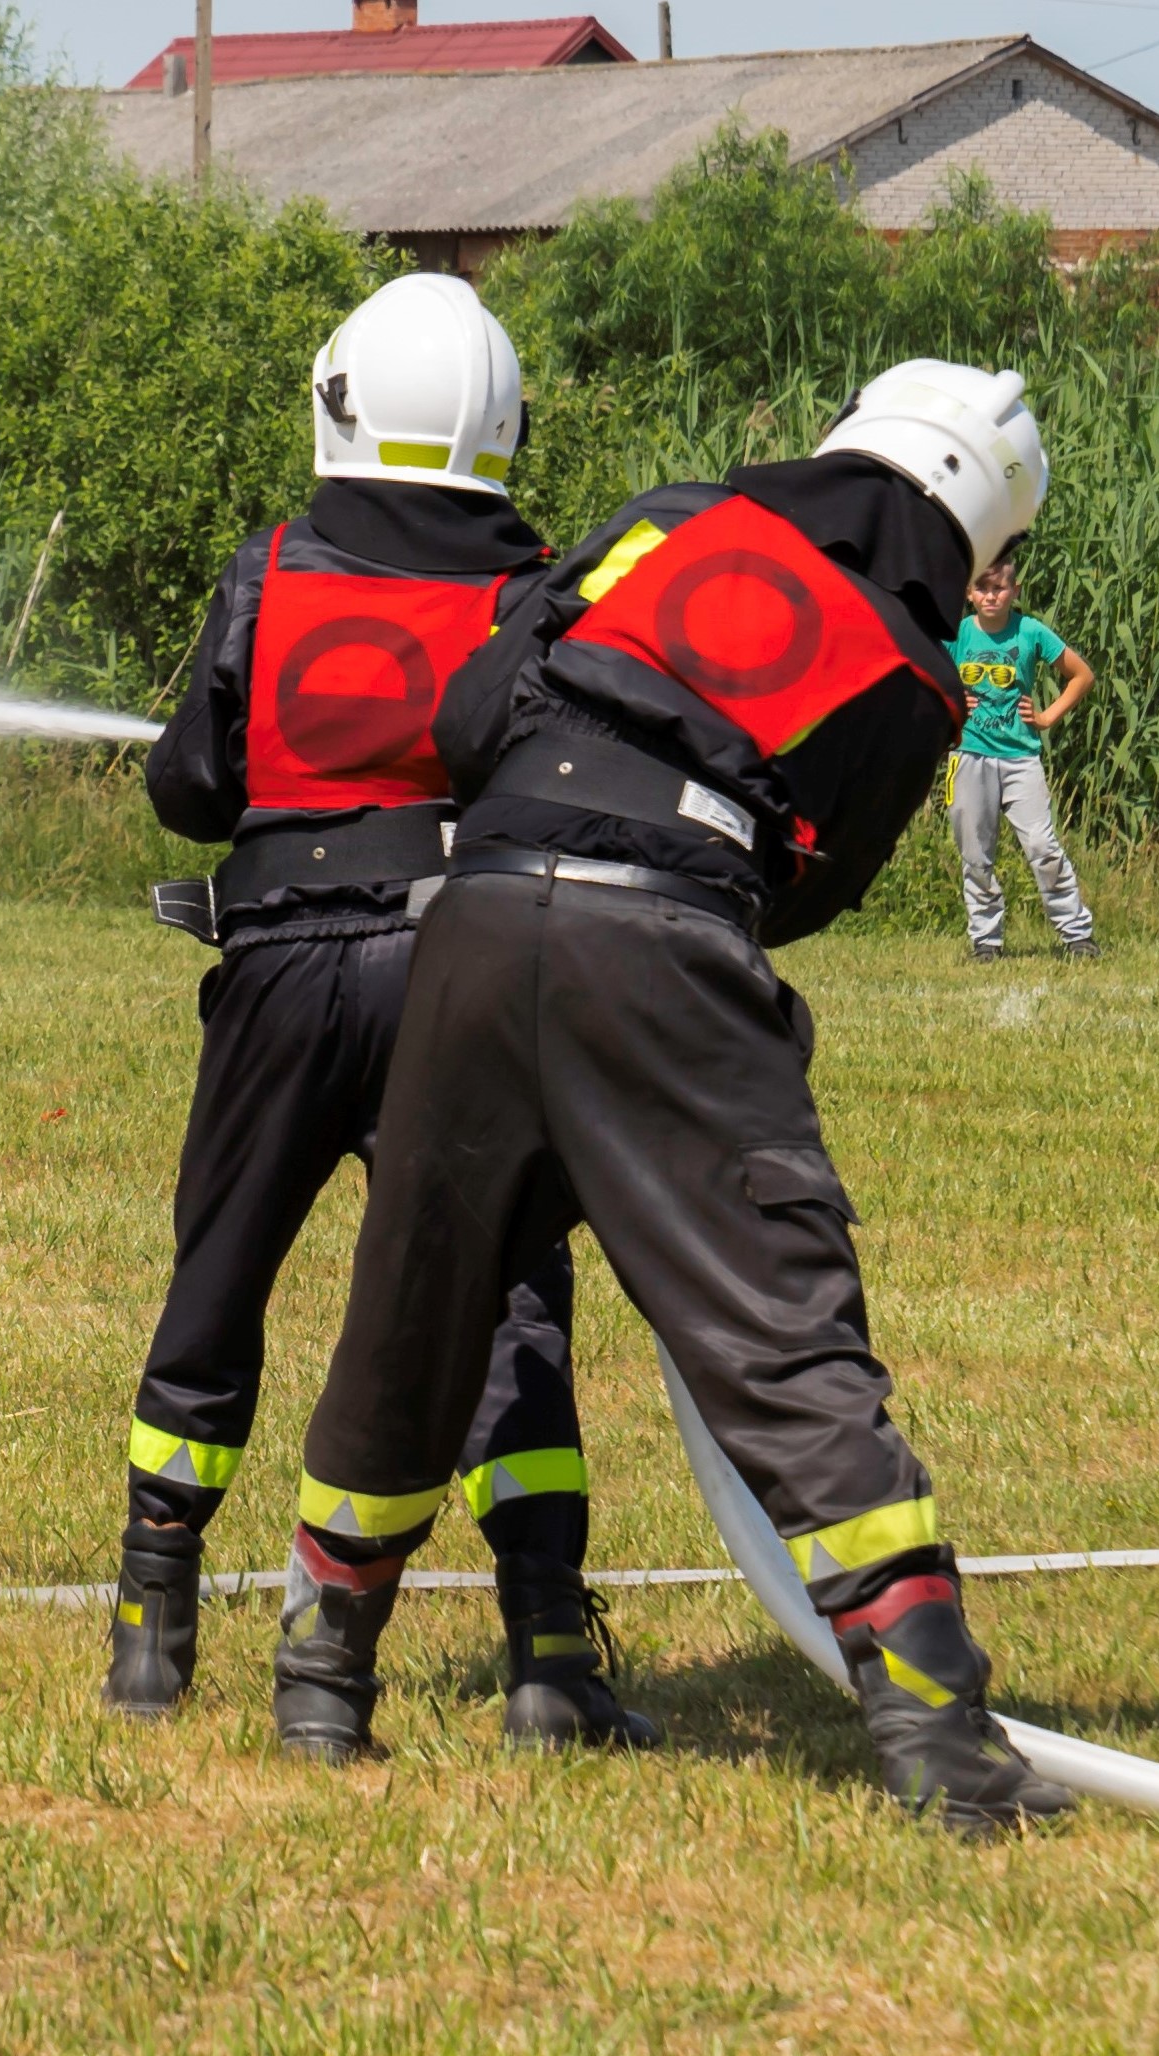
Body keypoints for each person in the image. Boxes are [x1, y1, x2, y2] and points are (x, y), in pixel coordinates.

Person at [284, 360, 1078, 1835]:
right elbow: (811, 884)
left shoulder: (668, 519)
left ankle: (318, 1680)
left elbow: (471, 709)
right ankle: (936, 1737)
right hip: (661, 942)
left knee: (408, 1309)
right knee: (782, 1330)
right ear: (972, 523)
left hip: (472, 920)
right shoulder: (907, 663)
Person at [107, 273, 652, 1752]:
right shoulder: (533, 588)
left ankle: (151, 1624)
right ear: (500, 421)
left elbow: (190, 788)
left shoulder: (270, 567)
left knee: (220, 1269)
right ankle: (546, 1649)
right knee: (505, 1296)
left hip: (277, 975)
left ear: (337, 400)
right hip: (454, 978)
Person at [952, 558, 1097, 961]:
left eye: (999, 588)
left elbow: (1082, 675)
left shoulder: (1030, 631)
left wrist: (1047, 717)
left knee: (1041, 845)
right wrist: (949, 702)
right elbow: (918, 672)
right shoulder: (957, 634)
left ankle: (1077, 934)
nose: (990, 596)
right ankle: (986, 940)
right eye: (982, 588)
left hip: (1021, 758)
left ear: (1015, 591)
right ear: (968, 593)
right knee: (975, 854)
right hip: (969, 755)